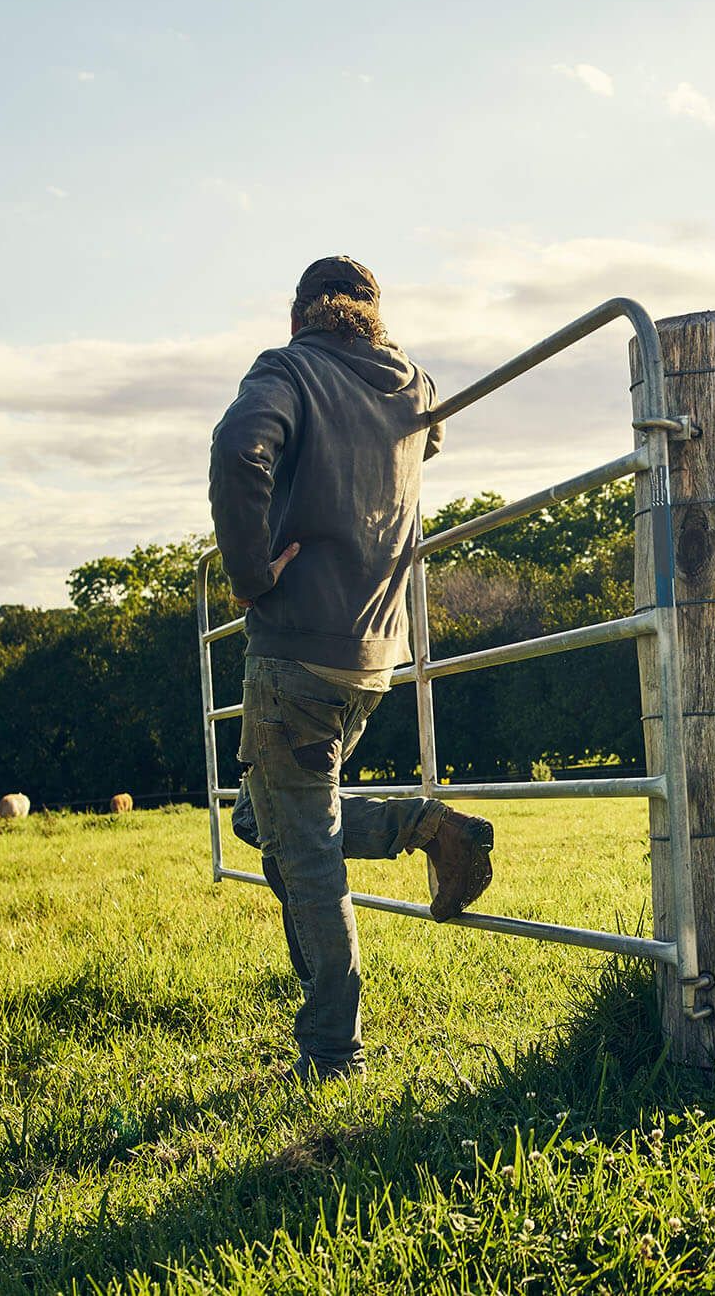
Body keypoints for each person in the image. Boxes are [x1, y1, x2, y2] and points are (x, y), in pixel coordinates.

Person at [210, 255, 493, 1082]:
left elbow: (239, 450)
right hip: (374, 653)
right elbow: (430, 436)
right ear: (373, 316)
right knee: (266, 824)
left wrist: (252, 573)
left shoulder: (288, 368)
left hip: (296, 645)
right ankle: (430, 829)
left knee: (304, 852)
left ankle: (333, 1054)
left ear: (299, 315)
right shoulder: (413, 382)